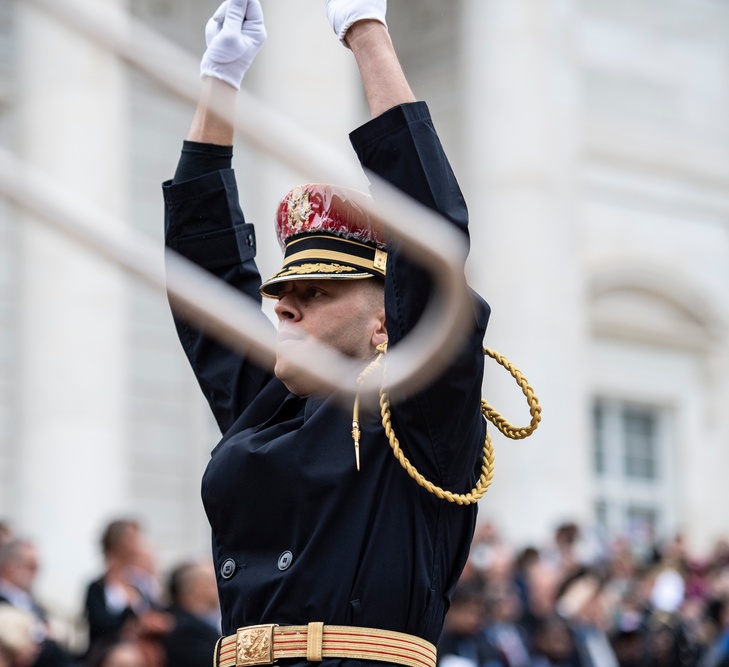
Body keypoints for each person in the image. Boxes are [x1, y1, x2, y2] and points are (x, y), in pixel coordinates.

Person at [163, 1, 490, 666]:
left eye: (316, 293)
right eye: (283, 293)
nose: (284, 309)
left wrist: (365, 30)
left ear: (385, 321)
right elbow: (205, 282)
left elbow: (431, 236)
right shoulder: (267, 407)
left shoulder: (420, 408)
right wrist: (220, 80)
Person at [84, 521, 173, 663]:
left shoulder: (142, 582)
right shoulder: (97, 587)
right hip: (111, 653)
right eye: (133, 538)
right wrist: (135, 625)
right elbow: (99, 624)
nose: (139, 544)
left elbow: (161, 612)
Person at [163, 562, 221, 667]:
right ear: (196, 589)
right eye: (212, 582)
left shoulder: (209, 620)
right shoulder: (184, 630)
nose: (218, 587)